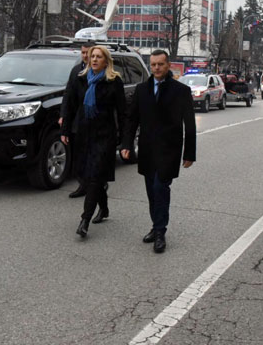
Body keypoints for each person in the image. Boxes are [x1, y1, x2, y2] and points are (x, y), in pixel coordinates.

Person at [121, 49, 196, 254]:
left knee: (160, 187)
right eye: (153, 65)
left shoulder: (180, 91)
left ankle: (160, 232)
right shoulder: (142, 89)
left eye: (160, 64)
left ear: (168, 65)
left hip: (169, 150)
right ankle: (156, 226)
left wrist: (189, 153)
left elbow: (189, 124)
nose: (156, 68)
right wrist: (126, 144)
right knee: (151, 191)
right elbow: (132, 119)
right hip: (147, 149)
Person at [60, 45, 126, 238]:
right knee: (89, 177)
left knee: (96, 175)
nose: (94, 59)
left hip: (104, 135)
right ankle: (104, 208)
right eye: (92, 56)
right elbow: (70, 104)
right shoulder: (80, 78)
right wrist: (64, 130)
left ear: (106, 61)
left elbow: (122, 112)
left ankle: (84, 221)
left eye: (99, 57)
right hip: (83, 133)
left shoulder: (114, 81)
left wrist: (125, 140)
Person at [59, 42, 95, 199]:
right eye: (83, 52)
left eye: (89, 53)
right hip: (78, 121)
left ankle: (96, 186)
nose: (86, 56)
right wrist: (64, 119)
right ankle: (83, 184)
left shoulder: (101, 72)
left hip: (96, 123)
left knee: (93, 159)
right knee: (78, 158)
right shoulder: (76, 71)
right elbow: (68, 96)